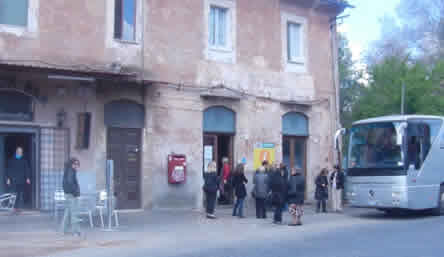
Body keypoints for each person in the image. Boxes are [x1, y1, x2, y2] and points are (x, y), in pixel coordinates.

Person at [6, 147, 31, 214]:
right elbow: (8, 169)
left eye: (21, 151)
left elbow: (27, 169)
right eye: (19, 151)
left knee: (20, 194)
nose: (20, 152)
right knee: (13, 194)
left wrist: (28, 178)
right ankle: (12, 208)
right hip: (13, 180)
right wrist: (8, 178)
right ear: (16, 152)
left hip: (21, 180)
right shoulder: (11, 160)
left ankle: (18, 208)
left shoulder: (24, 160)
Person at [62, 158, 81, 236]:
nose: (77, 166)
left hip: (68, 194)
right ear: (71, 164)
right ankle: (75, 231)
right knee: (74, 213)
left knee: (68, 213)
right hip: (71, 195)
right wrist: (75, 192)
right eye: (75, 164)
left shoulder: (69, 170)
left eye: (77, 164)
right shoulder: (71, 171)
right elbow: (70, 183)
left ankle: (64, 230)